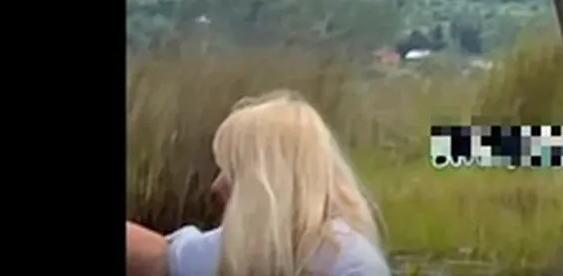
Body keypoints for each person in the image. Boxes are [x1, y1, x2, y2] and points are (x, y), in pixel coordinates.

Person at [125, 89, 392, 276]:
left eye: (232, 170)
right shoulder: (249, 247)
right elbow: (159, 259)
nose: (217, 186)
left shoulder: (352, 265)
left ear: (267, 179)